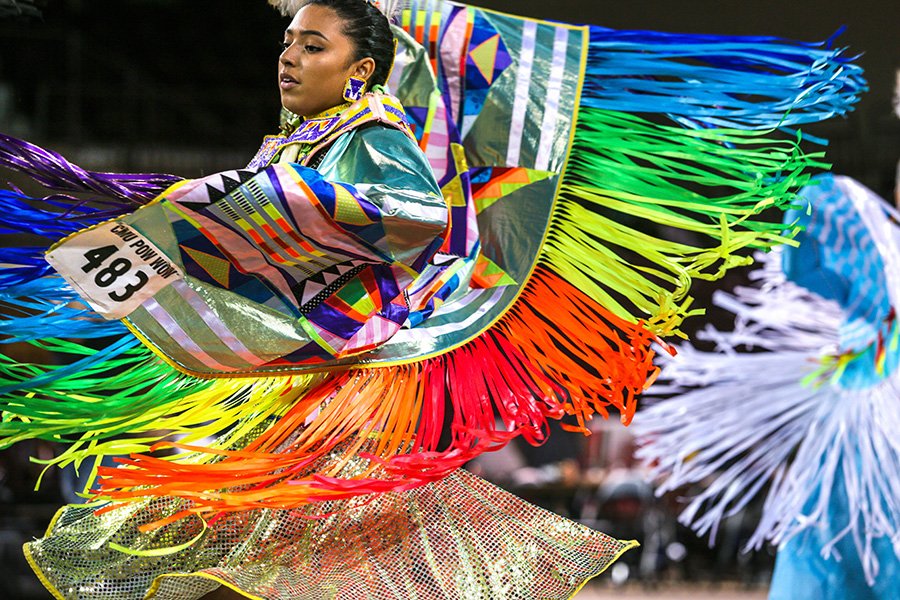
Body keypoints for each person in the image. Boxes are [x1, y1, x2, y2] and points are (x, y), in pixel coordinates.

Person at [0, 0, 866, 597]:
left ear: (362, 67)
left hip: (362, 369)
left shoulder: (372, 133)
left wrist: (247, 203)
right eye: (287, 43)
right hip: (308, 377)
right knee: (272, 536)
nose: (289, 57)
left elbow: (409, 214)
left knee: (312, 536)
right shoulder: (308, 138)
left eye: (313, 45)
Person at [634, 174, 900, 598]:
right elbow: (801, 264)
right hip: (854, 442)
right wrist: (826, 199)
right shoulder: (871, 255)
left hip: (871, 442)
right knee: (830, 556)